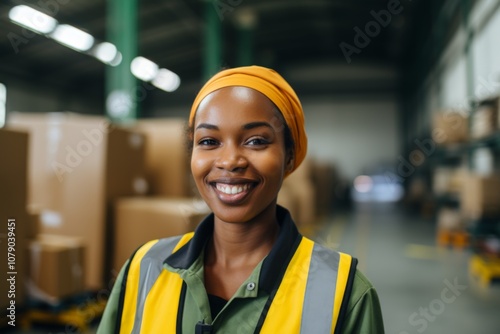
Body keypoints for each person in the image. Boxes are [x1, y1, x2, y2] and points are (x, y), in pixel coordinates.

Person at [97, 66, 384, 333]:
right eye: (209, 141)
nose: (230, 161)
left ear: (290, 156)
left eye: (256, 140)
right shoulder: (144, 268)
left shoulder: (346, 294)